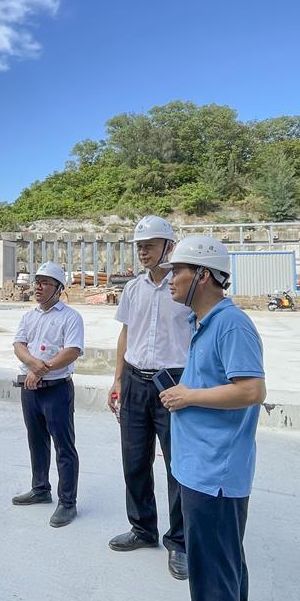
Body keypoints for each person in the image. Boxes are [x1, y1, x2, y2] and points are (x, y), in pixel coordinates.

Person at [159, 236, 266, 601]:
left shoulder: (231, 325)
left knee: (213, 582)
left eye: (177, 271)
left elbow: (252, 390)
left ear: (203, 275)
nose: (170, 279)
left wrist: (189, 397)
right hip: (199, 468)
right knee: (224, 569)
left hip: (215, 476)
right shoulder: (202, 323)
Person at [107, 215, 190, 580]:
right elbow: (126, 334)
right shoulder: (133, 288)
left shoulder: (184, 287)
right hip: (135, 381)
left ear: (168, 247)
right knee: (134, 461)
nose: (143, 252)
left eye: (150, 246)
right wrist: (117, 379)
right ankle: (142, 529)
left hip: (174, 382)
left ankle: (180, 542)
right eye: (139, 246)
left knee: (178, 466)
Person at [11, 261, 85, 528]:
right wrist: (33, 364)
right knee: (36, 440)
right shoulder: (29, 316)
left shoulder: (70, 317)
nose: (38, 287)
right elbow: (19, 344)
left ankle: (68, 503)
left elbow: (72, 350)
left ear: (58, 288)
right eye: (37, 281)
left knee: (64, 446)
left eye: (45, 282)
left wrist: (42, 369)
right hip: (31, 390)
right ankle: (40, 488)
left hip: (57, 390)